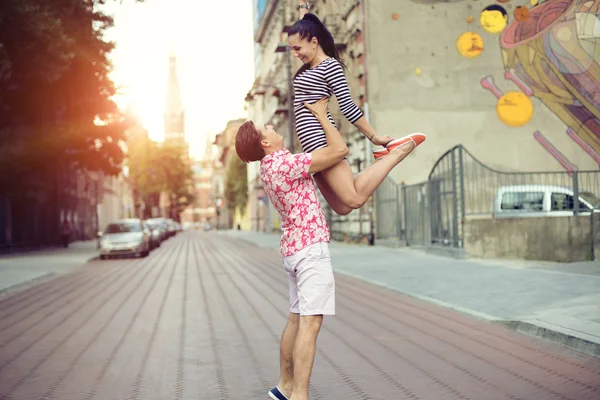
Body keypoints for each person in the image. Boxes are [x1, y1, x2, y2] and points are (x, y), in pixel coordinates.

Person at [235, 97, 416, 400]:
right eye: (267, 127)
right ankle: (299, 396)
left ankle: (284, 387)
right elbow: (340, 151)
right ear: (265, 142)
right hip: (309, 249)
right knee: (311, 323)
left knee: (296, 317)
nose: (273, 126)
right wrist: (322, 115)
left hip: (294, 250)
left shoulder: (268, 168)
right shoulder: (285, 163)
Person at [287, 4, 426, 216]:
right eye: (291, 49)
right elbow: (306, 27)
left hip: (323, 141)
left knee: (354, 198)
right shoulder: (310, 67)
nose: (295, 54)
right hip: (311, 148)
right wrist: (302, 10)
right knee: (342, 208)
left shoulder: (330, 66)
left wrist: (374, 136)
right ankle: (382, 159)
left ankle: (397, 152)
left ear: (314, 42)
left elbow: (348, 105)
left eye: (297, 48)